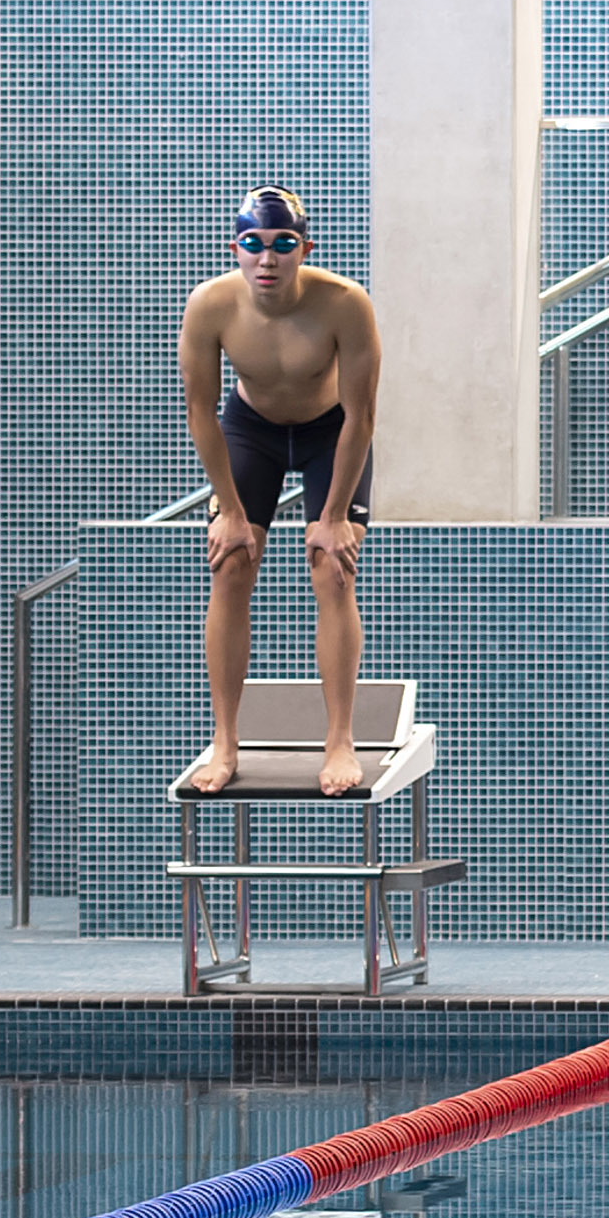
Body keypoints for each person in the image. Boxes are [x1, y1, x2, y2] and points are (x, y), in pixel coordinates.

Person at [177, 187, 383, 798]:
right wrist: (231, 513)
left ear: (304, 250)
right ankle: (225, 741)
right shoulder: (210, 305)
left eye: (282, 245)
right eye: (254, 245)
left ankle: (340, 739)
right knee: (231, 565)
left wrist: (336, 514)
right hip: (251, 432)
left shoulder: (345, 304)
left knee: (332, 570)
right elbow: (200, 412)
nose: (267, 260)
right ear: (236, 249)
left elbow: (362, 417)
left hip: (330, 434)